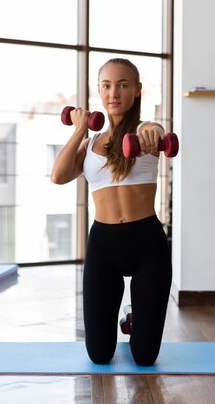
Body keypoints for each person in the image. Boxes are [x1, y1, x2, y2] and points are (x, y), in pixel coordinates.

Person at [50, 58, 172, 366]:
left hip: (147, 243)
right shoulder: (90, 143)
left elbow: (156, 133)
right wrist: (79, 129)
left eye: (122, 85)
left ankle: (135, 322)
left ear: (137, 90)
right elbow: (58, 175)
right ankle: (131, 320)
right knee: (99, 355)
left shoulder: (147, 131)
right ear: (99, 92)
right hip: (103, 244)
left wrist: (151, 137)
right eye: (106, 86)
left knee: (144, 357)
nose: (113, 93)